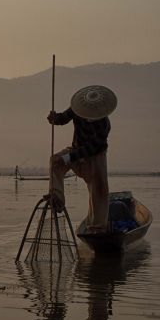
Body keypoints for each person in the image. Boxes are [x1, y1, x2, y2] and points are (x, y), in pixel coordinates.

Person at [47, 85, 117, 234]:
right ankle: (57, 197)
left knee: (99, 190)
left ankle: (97, 227)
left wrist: (69, 157)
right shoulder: (77, 109)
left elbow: (93, 147)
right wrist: (54, 118)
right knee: (55, 161)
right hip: (75, 150)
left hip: (95, 156)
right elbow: (63, 118)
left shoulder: (104, 124)